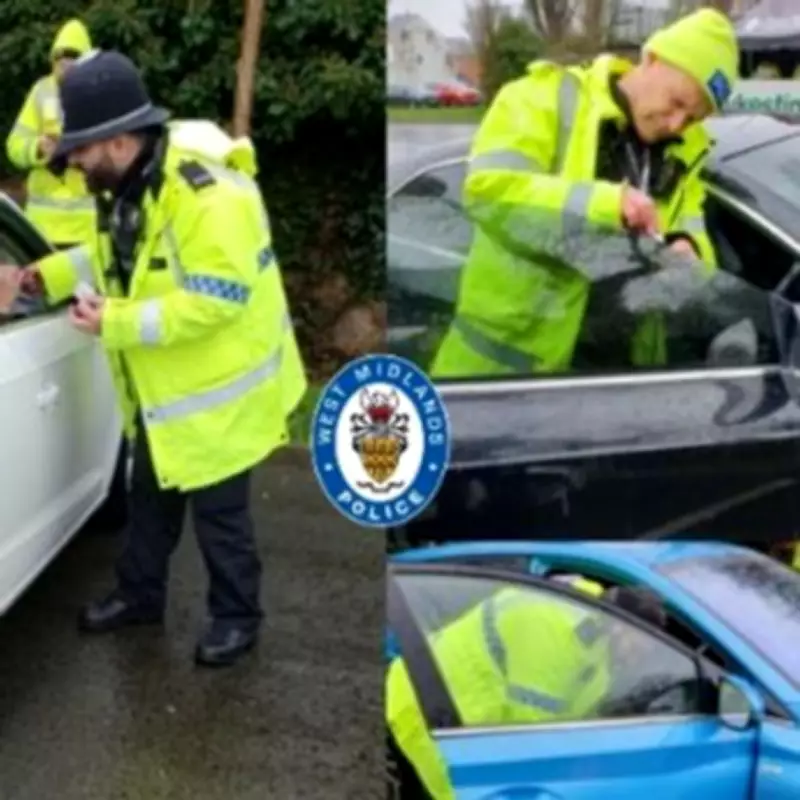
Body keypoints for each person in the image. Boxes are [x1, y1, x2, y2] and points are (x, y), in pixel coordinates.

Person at [0, 50, 307, 667]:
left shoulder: (209, 197)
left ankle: (236, 619)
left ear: (116, 141)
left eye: (81, 151)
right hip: (166, 390)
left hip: (224, 393)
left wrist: (113, 322)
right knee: (149, 499)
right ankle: (140, 596)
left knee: (222, 522)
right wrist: (38, 278)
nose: (73, 164)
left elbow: (218, 300)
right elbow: (105, 258)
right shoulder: (133, 182)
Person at [430, 8, 739, 379]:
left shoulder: (685, 150)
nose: (676, 124)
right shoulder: (541, 98)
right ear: (652, 58)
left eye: (692, 118)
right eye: (676, 102)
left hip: (618, 376)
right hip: (503, 373)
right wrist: (605, 205)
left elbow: (695, 234)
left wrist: (687, 247)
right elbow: (488, 193)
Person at [386, 579, 667, 800]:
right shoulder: (555, 626)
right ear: (618, 625)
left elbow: (571, 729)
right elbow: (529, 737)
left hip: (476, 720)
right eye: (637, 645)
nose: (637, 658)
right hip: (425, 701)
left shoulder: (602, 659)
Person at [6, 18, 95, 249]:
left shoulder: (97, 92)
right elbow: (14, 146)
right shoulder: (41, 91)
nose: (65, 63)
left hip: (86, 230)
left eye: (73, 57)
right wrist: (38, 147)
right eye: (60, 57)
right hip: (42, 229)